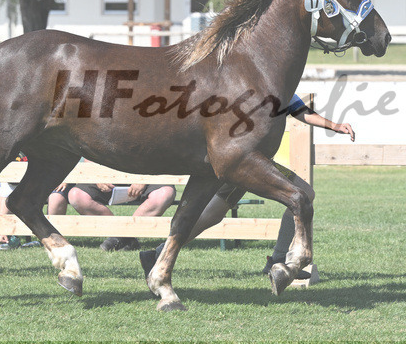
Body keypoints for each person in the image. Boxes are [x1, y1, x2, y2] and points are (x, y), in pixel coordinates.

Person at [139, 94, 354, 277]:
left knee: (212, 215)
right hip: (249, 164)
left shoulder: (274, 81)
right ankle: (278, 259)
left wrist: (334, 126)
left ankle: (158, 254)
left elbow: (299, 110)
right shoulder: (258, 80)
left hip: (243, 162)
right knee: (304, 193)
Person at [67, 183, 177, 252]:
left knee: (165, 193)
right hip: (108, 177)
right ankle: (125, 237)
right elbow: (89, 158)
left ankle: (120, 237)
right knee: (76, 195)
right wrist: (98, 178)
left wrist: (143, 179)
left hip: (149, 175)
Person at [0, 181, 70, 250]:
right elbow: (6, 196)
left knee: (56, 197)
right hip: (24, 182)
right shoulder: (10, 179)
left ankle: (52, 237)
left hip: (45, 180)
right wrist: (1, 229)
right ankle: (10, 238)